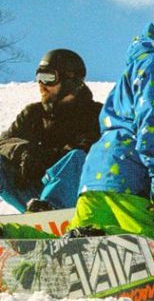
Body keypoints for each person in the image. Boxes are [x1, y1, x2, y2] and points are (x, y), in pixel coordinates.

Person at [1, 0, 154, 264]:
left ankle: (21, 233)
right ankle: (70, 234)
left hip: (90, 180)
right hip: (126, 177)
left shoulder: (130, 75)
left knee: (75, 234)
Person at [0, 49, 102, 213]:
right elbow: (4, 142)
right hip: (33, 199)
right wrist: (23, 152)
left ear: (70, 80)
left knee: (76, 157)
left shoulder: (95, 114)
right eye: (39, 77)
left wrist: (42, 157)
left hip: (75, 198)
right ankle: (38, 214)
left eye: (48, 78)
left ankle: (49, 210)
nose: (41, 84)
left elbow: (88, 151)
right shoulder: (33, 113)